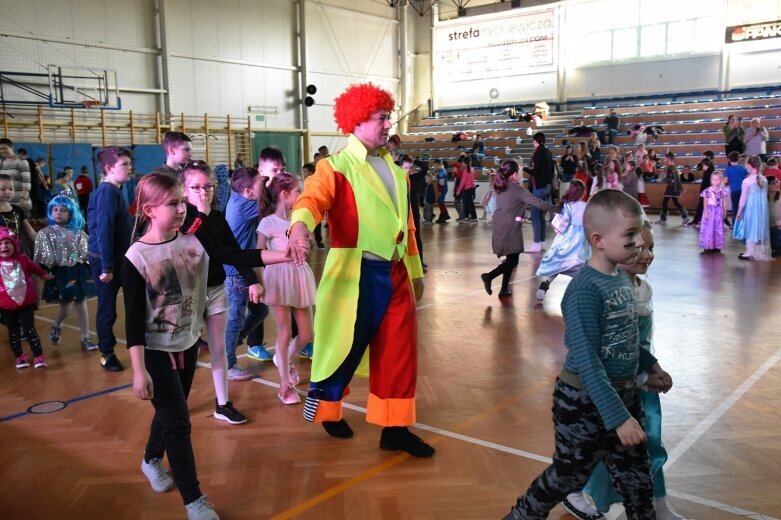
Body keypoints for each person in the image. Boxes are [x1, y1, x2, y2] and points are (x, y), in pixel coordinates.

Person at [502, 189, 673, 520]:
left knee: (637, 482)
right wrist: (619, 418)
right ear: (598, 240)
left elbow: (625, 338)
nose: (639, 243)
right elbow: (590, 361)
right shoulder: (585, 291)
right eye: (630, 235)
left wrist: (650, 366)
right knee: (568, 475)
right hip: (581, 403)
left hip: (624, 395)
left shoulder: (621, 281)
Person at [287, 83, 433, 457]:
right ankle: (326, 410)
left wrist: (415, 272)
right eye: (381, 117)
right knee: (342, 349)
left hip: (396, 272)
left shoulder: (396, 169)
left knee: (400, 352)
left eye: (388, 115)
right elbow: (310, 199)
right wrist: (300, 226)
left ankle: (395, 429)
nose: (389, 124)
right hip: (356, 277)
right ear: (357, 121)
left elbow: (409, 226)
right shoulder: (334, 167)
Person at [568, 219, 683, 520]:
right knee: (614, 450)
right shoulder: (609, 294)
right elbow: (608, 350)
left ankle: (659, 506)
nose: (645, 255)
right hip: (616, 389)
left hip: (641, 385)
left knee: (650, 443)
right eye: (635, 248)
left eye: (650, 248)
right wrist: (647, 373)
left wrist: (654, 369)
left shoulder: (643, 288)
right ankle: (580, 494)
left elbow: (640, 343)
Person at [121, 173, 220, 520]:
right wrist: (138, 370)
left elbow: (232, 255)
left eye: (183, 201)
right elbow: (133, 321)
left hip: (188, 343)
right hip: (155, 352)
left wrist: (281, 255)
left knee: (169, 412)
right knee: (178, 423)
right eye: (174, 203)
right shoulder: (136, 257)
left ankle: (150, 459)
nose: (182, 209)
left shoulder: (192, 242)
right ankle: (193, 500)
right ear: (149, 209)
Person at [180, 161, 287, 423]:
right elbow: (196, 242)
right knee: (186, 350)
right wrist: (202, 213)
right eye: (196, 188)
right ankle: (177, 405)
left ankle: (223, 403)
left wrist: (252, 277)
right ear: (184, 190)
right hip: (189, 293)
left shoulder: (216, 217)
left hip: (216, 288)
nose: (203, 193)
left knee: (218, 350)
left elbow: (234, 251)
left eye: (208, 187)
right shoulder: (181, 217)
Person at [257, 172, 316, 404]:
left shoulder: (298, 220)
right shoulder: (267, 222)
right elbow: (258, 254)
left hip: (299, 275)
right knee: (285, 332)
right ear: (284, 194)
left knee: (308, 333)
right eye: (297, 191)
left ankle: (285, 359)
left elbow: (307, 245)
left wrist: (306, 243)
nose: (300, 195)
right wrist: (260, 282)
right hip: (279, 277)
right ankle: (284, 386)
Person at [87, 146, 134, 372]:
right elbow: (103, 231)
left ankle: (142, 346)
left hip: (120, 258)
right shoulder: (107, 192)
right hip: (106, 260)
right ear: (108, 168)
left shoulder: (117, 190)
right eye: (124, 164)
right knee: (108, 309)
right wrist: (107, 266)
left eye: (129, 163)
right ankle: (107, 353)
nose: (130, 168)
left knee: (135, 302)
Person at [480, 160, 556, 298]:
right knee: (513, 260)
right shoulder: (518, 190)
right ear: (514, 174)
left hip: (500, 223)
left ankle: (504, 288)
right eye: (520, 171)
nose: (521, 174)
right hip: (510, 227)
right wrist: (557, 208)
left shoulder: (501, 186)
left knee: (511, 256)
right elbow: (538, 203)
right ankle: (489, 276)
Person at [33, 195, 96, 351]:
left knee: (81, 302)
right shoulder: (46, 233)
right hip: (60, 272)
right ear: (51, 211)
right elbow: (44, 255)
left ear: (71, 213)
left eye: (63, 210)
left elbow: (87, 252)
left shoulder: (78, 233)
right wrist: (45, 269)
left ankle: (85, 337)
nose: (59, 213)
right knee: (65, 307)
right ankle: (56, 326)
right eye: (55, 210)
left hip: (77, 270)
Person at [223, 167, 269, 380]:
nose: (265, 186)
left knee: (260, 311)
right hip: (236, 272)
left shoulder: (239, 198)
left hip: (244, 268)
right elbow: (272, 205)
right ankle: (229, 363)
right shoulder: (244, 206)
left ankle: (234, 340)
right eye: (261, 183)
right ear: (249, 191)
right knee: (235, 318)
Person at [0, 227, 51, 369]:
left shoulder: (22, 259)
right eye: (0, 244)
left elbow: (35, 268)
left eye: (7, 243)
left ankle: (38, 355)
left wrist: (43, 274)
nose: (4, 246)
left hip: (26, 303)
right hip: (6, 305)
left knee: (30, 329)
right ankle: (19, 356)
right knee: (13, 332)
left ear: (14, 244)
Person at [535, 180, 588, 302]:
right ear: (582, 192)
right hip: (581, 239)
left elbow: (563, 223)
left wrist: (559, 232)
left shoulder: (568, 206)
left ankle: (546, 283)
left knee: (559, 263)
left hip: (567, 237)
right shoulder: (586, 206)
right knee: (581, 265)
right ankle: (580, 293)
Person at [734, 156, 772, 261]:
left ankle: (750, 252)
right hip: (762, 209)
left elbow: (743, 198)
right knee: (759, 229)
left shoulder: (747, 181)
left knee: (750, 228)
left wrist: (739, 211)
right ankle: (758, 251)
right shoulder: (764, 179)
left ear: (749, 166)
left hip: (751, 209)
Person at [523, 132, 555, 252]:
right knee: (541, 214)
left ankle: (536, 243)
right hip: (547, 186)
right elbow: (551, 170)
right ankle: (542, 242)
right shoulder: (548, 152)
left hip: (540, 186)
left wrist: (524, 169)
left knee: (535, 213)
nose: (532, 142)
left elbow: (536, 172)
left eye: (533, 140)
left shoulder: (538, 153)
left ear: (536, 141)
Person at [0, 174, 38, 256]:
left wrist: (45, 245)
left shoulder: (17, 210)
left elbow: (31, 233)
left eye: (11, 189)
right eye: (3, 189)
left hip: (20, 252)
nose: (8, 192)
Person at [0, 137, 32, 216]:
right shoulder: (1, 162)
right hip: (5, 204)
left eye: (5, 148)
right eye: (0, 149)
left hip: (20, 202)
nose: (2, 151)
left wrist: (23, 199)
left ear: (11, 147)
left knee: (22, 227)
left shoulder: (22, 162)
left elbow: (27, 183)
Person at [699, 171, 729, 253]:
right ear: (710, 180)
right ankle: (708, 245)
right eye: (713, 180)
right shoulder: (708, 191)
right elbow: (705, 202)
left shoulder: (723, 191)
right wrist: (706, 212)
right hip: (710, 211)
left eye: (717, 180)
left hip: (719, 212)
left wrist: (724, 213)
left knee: (718, 229)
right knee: (709, 228)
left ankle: (717, 245)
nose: (715, 181)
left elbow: (724, 203)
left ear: (721, 180)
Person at [16, 148, 47, 219]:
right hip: (28, 184)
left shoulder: (29, 160)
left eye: (19, 155)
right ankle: (34, 215)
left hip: (33, 184)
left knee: (38, 199)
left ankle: (42, 215)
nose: (18, 156)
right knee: (32, 200)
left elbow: (38, 171)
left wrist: (43, 182)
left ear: (22, 154)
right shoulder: (22, 162)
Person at [302, 163, 325, 248]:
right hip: (306, 209)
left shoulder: (317, 182)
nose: (303, 174)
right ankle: (307, 242)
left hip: (316, 208)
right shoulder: (303, 183)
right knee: (306, 226)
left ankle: (318, 241)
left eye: (305, 172)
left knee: (317, 226)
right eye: (303, 171)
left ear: (311, 173)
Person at [690, 158, 716, 227]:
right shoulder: (707, 171)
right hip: (705, 192)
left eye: (702, 164)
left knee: (702, 207)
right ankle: (696, 221)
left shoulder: (709, 172)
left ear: (705, 164)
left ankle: (695, 222)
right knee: (702, 207)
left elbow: (709, 184)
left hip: (707, 193)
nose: (702, 166)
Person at [724, 151, 748, 224]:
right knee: (743, 206)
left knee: (735, 208)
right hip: (743, 190)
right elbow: (747, 178)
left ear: (729, 159)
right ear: (738, 159)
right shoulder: (743, 168)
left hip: (734, 190)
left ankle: (735, 224)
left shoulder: (728, 169)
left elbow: (725, 181)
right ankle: (743, 223)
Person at [767, 176, 781, 256]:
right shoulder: (763, 197)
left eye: (778, 181)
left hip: (778, 228)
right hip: (767, 229)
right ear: (767, 185)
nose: (777, 184)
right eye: (773, 183)